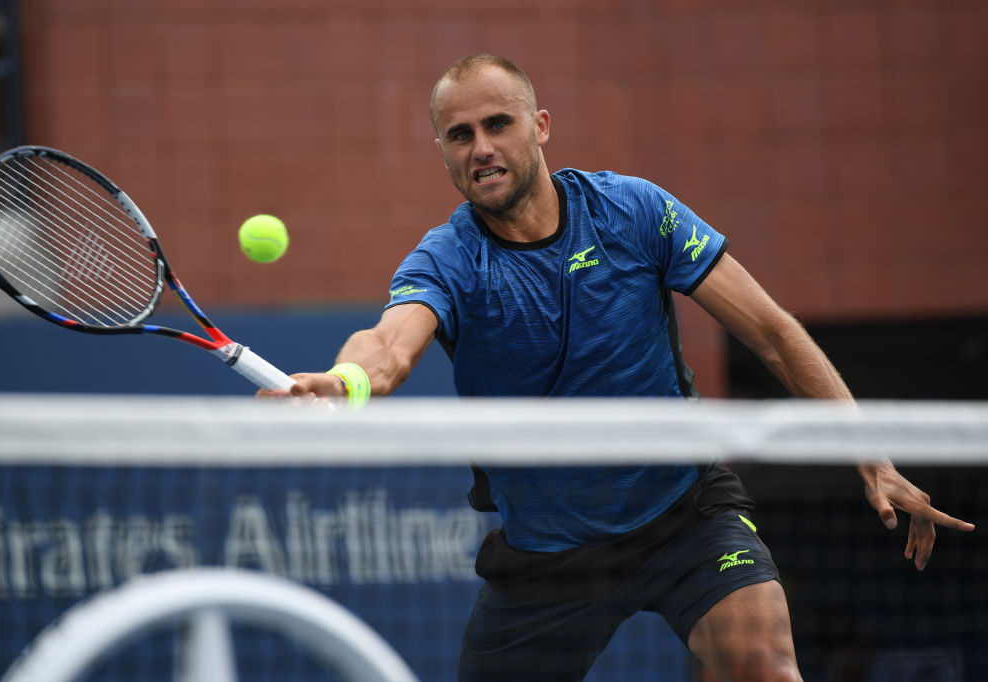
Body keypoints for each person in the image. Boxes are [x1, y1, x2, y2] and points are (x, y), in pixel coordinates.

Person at [262, 54, 975, 681]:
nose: (481, 147)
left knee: (765, 669)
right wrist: (346, 383)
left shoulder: (634, 213)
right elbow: (389, 345)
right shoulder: (448, 259)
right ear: (443, 154)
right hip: (548, 558)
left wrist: (868, 453)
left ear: (540, 125)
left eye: (497, 124)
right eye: (460, 135)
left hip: (684, 520)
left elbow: (774, 332)